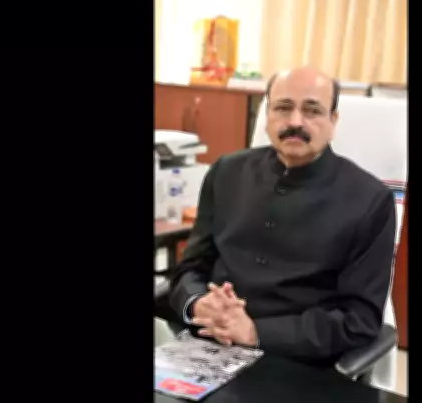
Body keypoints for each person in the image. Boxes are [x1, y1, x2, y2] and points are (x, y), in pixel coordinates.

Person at [166, 66, 397, 366]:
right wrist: (198, 303)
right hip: (205, 345)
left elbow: (359, 319)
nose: (295, 122)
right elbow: (190, 269)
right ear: (267, 116)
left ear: (333, 121)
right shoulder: (226, 172)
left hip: (295, 363)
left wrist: (255, 332)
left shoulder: (370, 200)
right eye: (283, 108)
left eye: (312, 110)